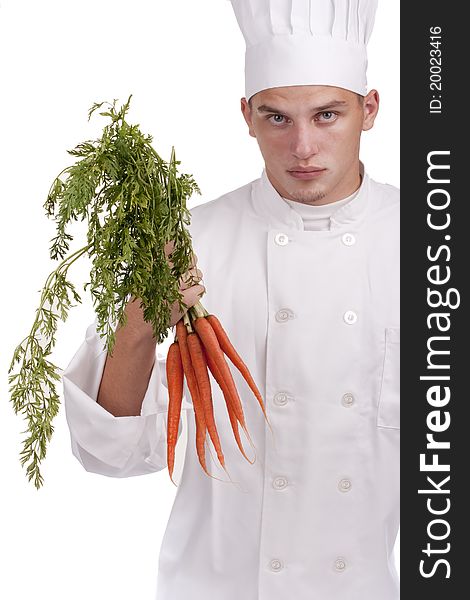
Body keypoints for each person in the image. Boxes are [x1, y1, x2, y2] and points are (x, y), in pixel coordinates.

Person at [62, 1, 400, 599]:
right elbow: (110, 455)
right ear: (246, 114)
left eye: (327, 116)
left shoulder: (429, 247)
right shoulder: (189, 244)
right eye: (276, 118)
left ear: (369, 110)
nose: (302, 146)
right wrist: (139, 325)